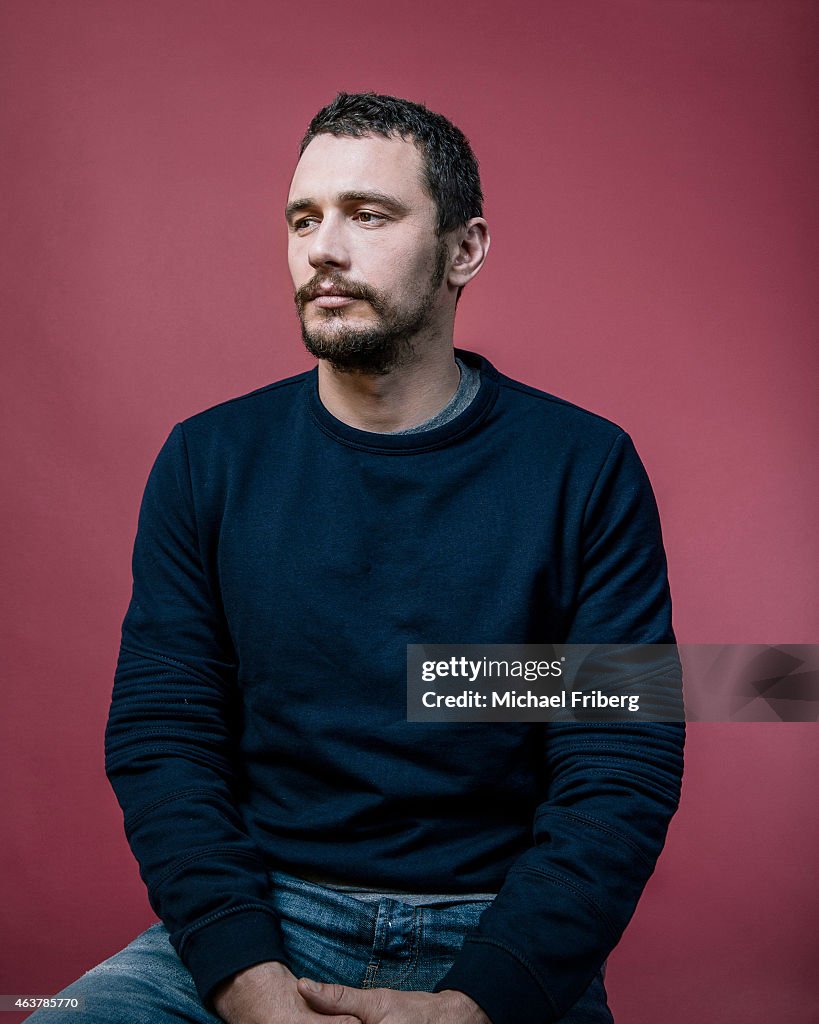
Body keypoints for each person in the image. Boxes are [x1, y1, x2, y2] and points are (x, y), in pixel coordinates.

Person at [28, 92, 684, 1024]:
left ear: (464, 249)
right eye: (303, 218)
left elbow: (620, 763)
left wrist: (482, 1002)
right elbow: (162, 740)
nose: (321, 249)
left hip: (495, 936)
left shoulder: (584, 467)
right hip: (265, 920)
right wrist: (250, 986)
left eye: (367, 215)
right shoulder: (207, 460)